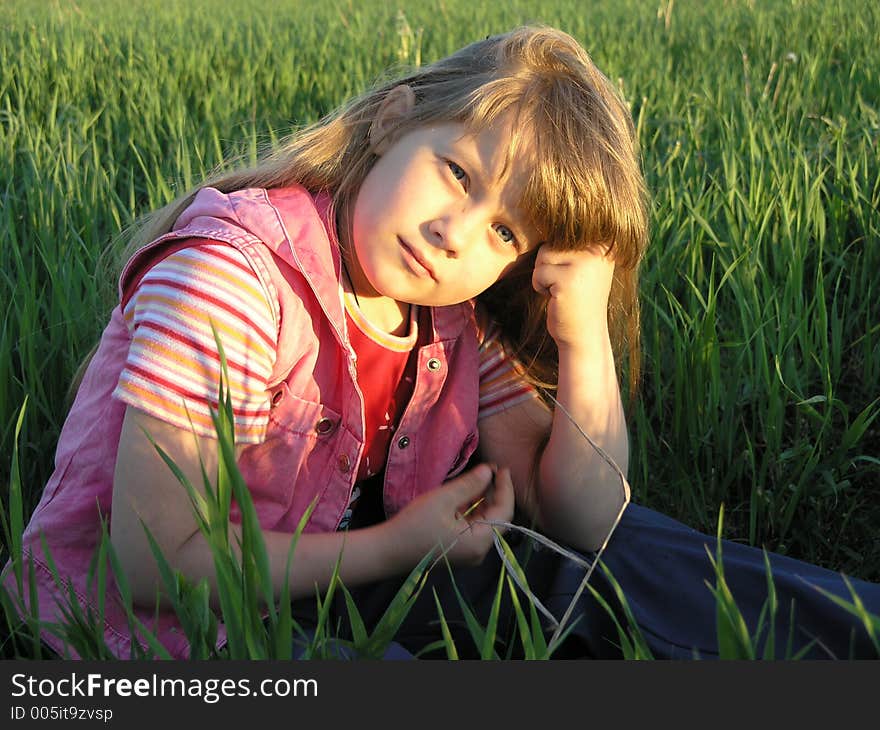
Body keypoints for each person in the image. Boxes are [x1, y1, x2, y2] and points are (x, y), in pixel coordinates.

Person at [7, 26, 877, 661]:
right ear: (391, 122)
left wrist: (582, 340)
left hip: (360, 581)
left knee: (637, 568)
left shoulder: (446, 316)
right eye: (458, 173)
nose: (459, 235)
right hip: (169, 633)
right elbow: (154, 565)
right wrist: (397, 546)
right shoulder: (231, 279)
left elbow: (584, 520)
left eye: (507, 235)